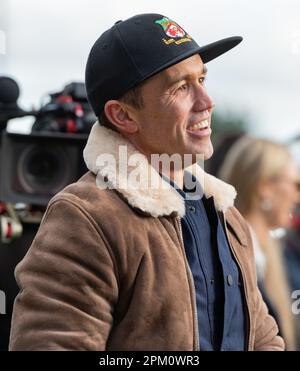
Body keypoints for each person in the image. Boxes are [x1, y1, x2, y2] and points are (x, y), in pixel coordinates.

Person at [9, 13, 284, 351]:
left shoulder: (228, 215)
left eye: (202, 79)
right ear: (122, 115)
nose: (206, 102)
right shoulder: (84, 217)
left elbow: (265, 339)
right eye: (181, 87)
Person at [219, 136, 299, 350]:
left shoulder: (266, 253)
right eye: (296, 185)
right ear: (265, 188)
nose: (297, 197)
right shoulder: (231, 253)